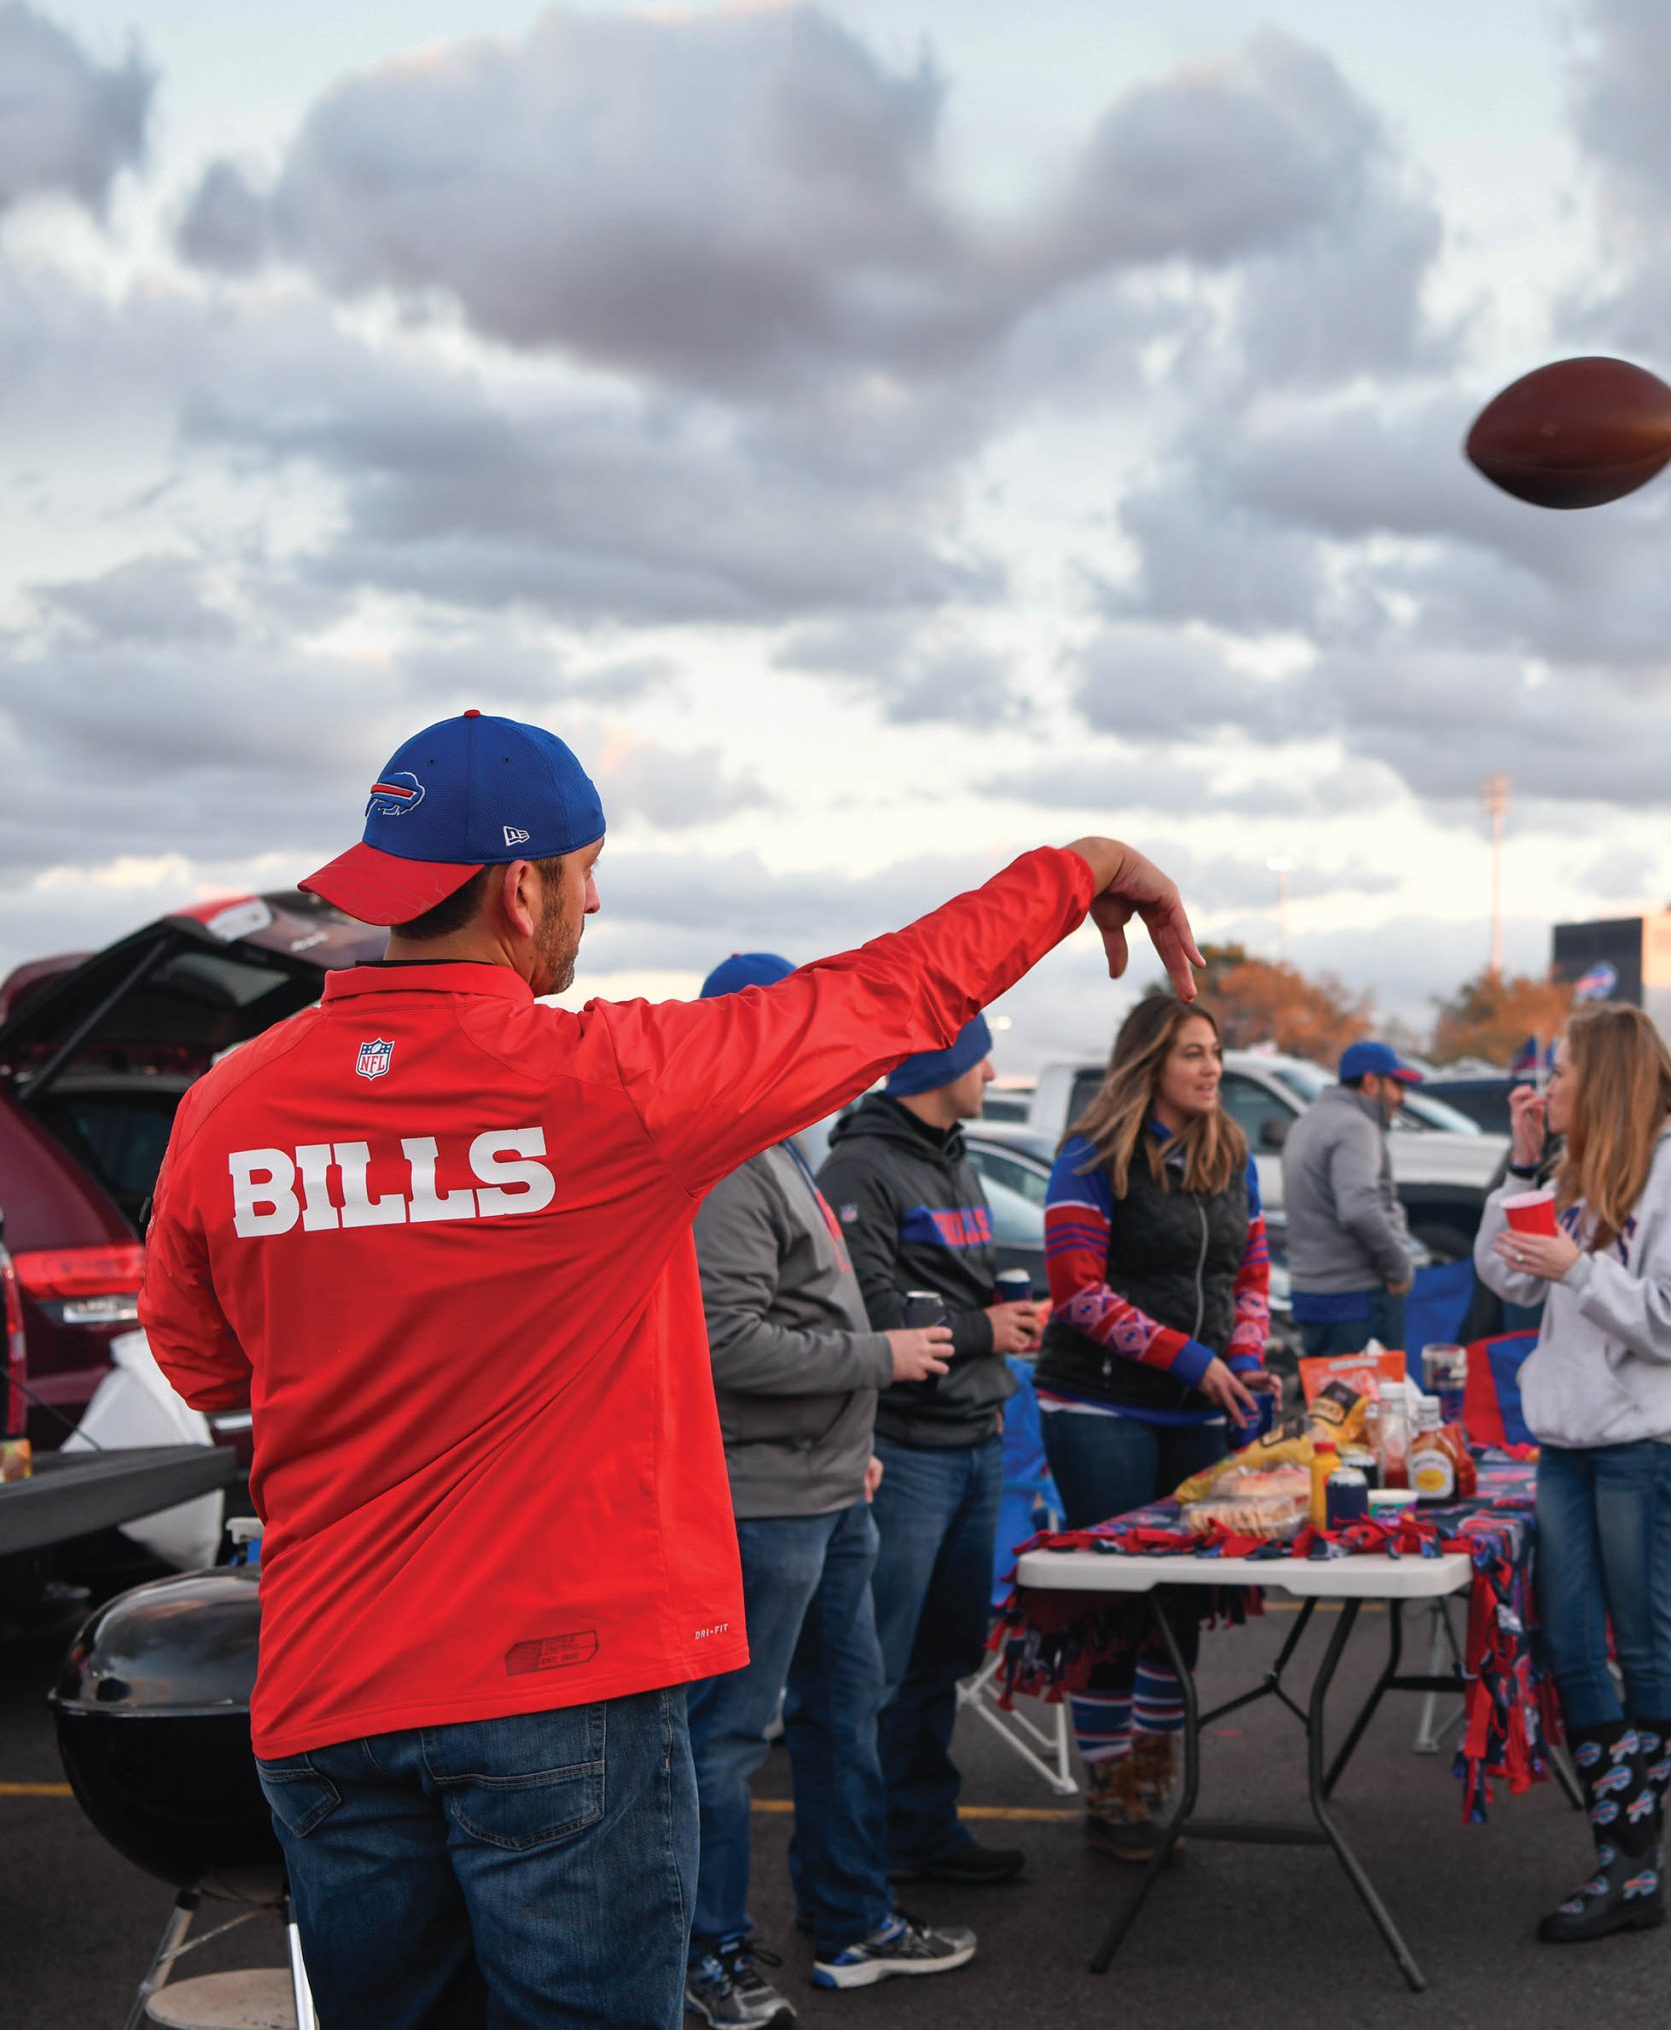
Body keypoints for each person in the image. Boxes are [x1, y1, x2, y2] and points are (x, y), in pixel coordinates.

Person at [136, 709, 1201, 2022]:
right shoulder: (606, 1082)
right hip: (560, 1685)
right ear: (519, 887)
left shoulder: (227, 1104)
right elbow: (876, 997)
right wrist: (1076, 867)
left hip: (329, 1683)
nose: (597, 893)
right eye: (589, 865)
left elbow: (202, 1364)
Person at [686, 952, 972, 2018]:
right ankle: (711, 1954)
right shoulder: (726, 1161)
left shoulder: (778, 1146)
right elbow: (728, 1342)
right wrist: (878, 1363)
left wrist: (849, 1432)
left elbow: (798, 1312)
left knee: (846, 1710)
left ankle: (851, 1923)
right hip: (762, 1500)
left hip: (825, 1486)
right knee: (727, 1736)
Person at [1476, 1002, 1671, 1945]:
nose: (1547, 1086)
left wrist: (1579, 1268)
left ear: (1607, 1078)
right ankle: (1619, 1852)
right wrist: (1520, 1161)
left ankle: (1634, 1863)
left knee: (1638, 1639)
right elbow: (1503, 1275)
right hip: (1571, 1436)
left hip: (1649, 1441)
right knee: (1573, 1644)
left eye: (1561, 1072)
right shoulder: (1583, 1165)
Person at [1033, 996, 1280, 1858]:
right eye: (1192, 1054)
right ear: (1149, 1063)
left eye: (1216, 1051)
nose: (1212, 1067)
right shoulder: (1092, 1155)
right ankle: (1113, 1794)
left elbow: (1253, 1271)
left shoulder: (1230, 1150)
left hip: (1197, 1410)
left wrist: (1243, 1361)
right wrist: (1191, 1359)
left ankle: (1153, 1774)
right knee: (1114, 1603)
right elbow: (1078, 1292)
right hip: (1099, 1407)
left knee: (1182, 1602)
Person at [815, 1015, 1044, 1890]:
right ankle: (853, 1876)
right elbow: (870, 1315)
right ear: (942, 1062)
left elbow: (951, 1292)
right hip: (907, 1454)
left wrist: (1003, 1321)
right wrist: (988, 1327)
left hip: (975, 1442)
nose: (991, 1067)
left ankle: (920, 1829)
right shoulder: (859, 1168)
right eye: (979, 1050)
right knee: (875, 1668)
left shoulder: (956, 1158)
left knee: (943, 1656)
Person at [1281, 1038, 1422, 1359]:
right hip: (1356, 1299)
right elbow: (1359, 1209)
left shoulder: (1307, 1121)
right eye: (1397, 1085)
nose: (1402, 1097)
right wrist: (1399, 1269)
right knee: (1370, 1407)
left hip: (1312, 1294)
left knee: (1325, 1405)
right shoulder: (1355, 1127)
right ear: (1372, 1082)